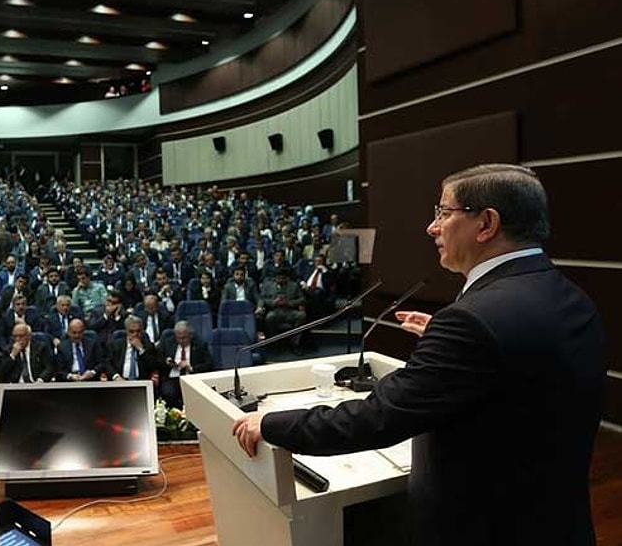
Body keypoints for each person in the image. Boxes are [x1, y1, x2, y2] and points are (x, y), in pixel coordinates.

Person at [233, 164, 606, 546]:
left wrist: (272, 424)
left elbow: (379, 417)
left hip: (482, 528)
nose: (432, 227)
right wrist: (449, 341)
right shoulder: (570, 296)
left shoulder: (472, 322)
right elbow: (526, 376)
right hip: (558, 523)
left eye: (444, 213)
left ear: (486, 223)